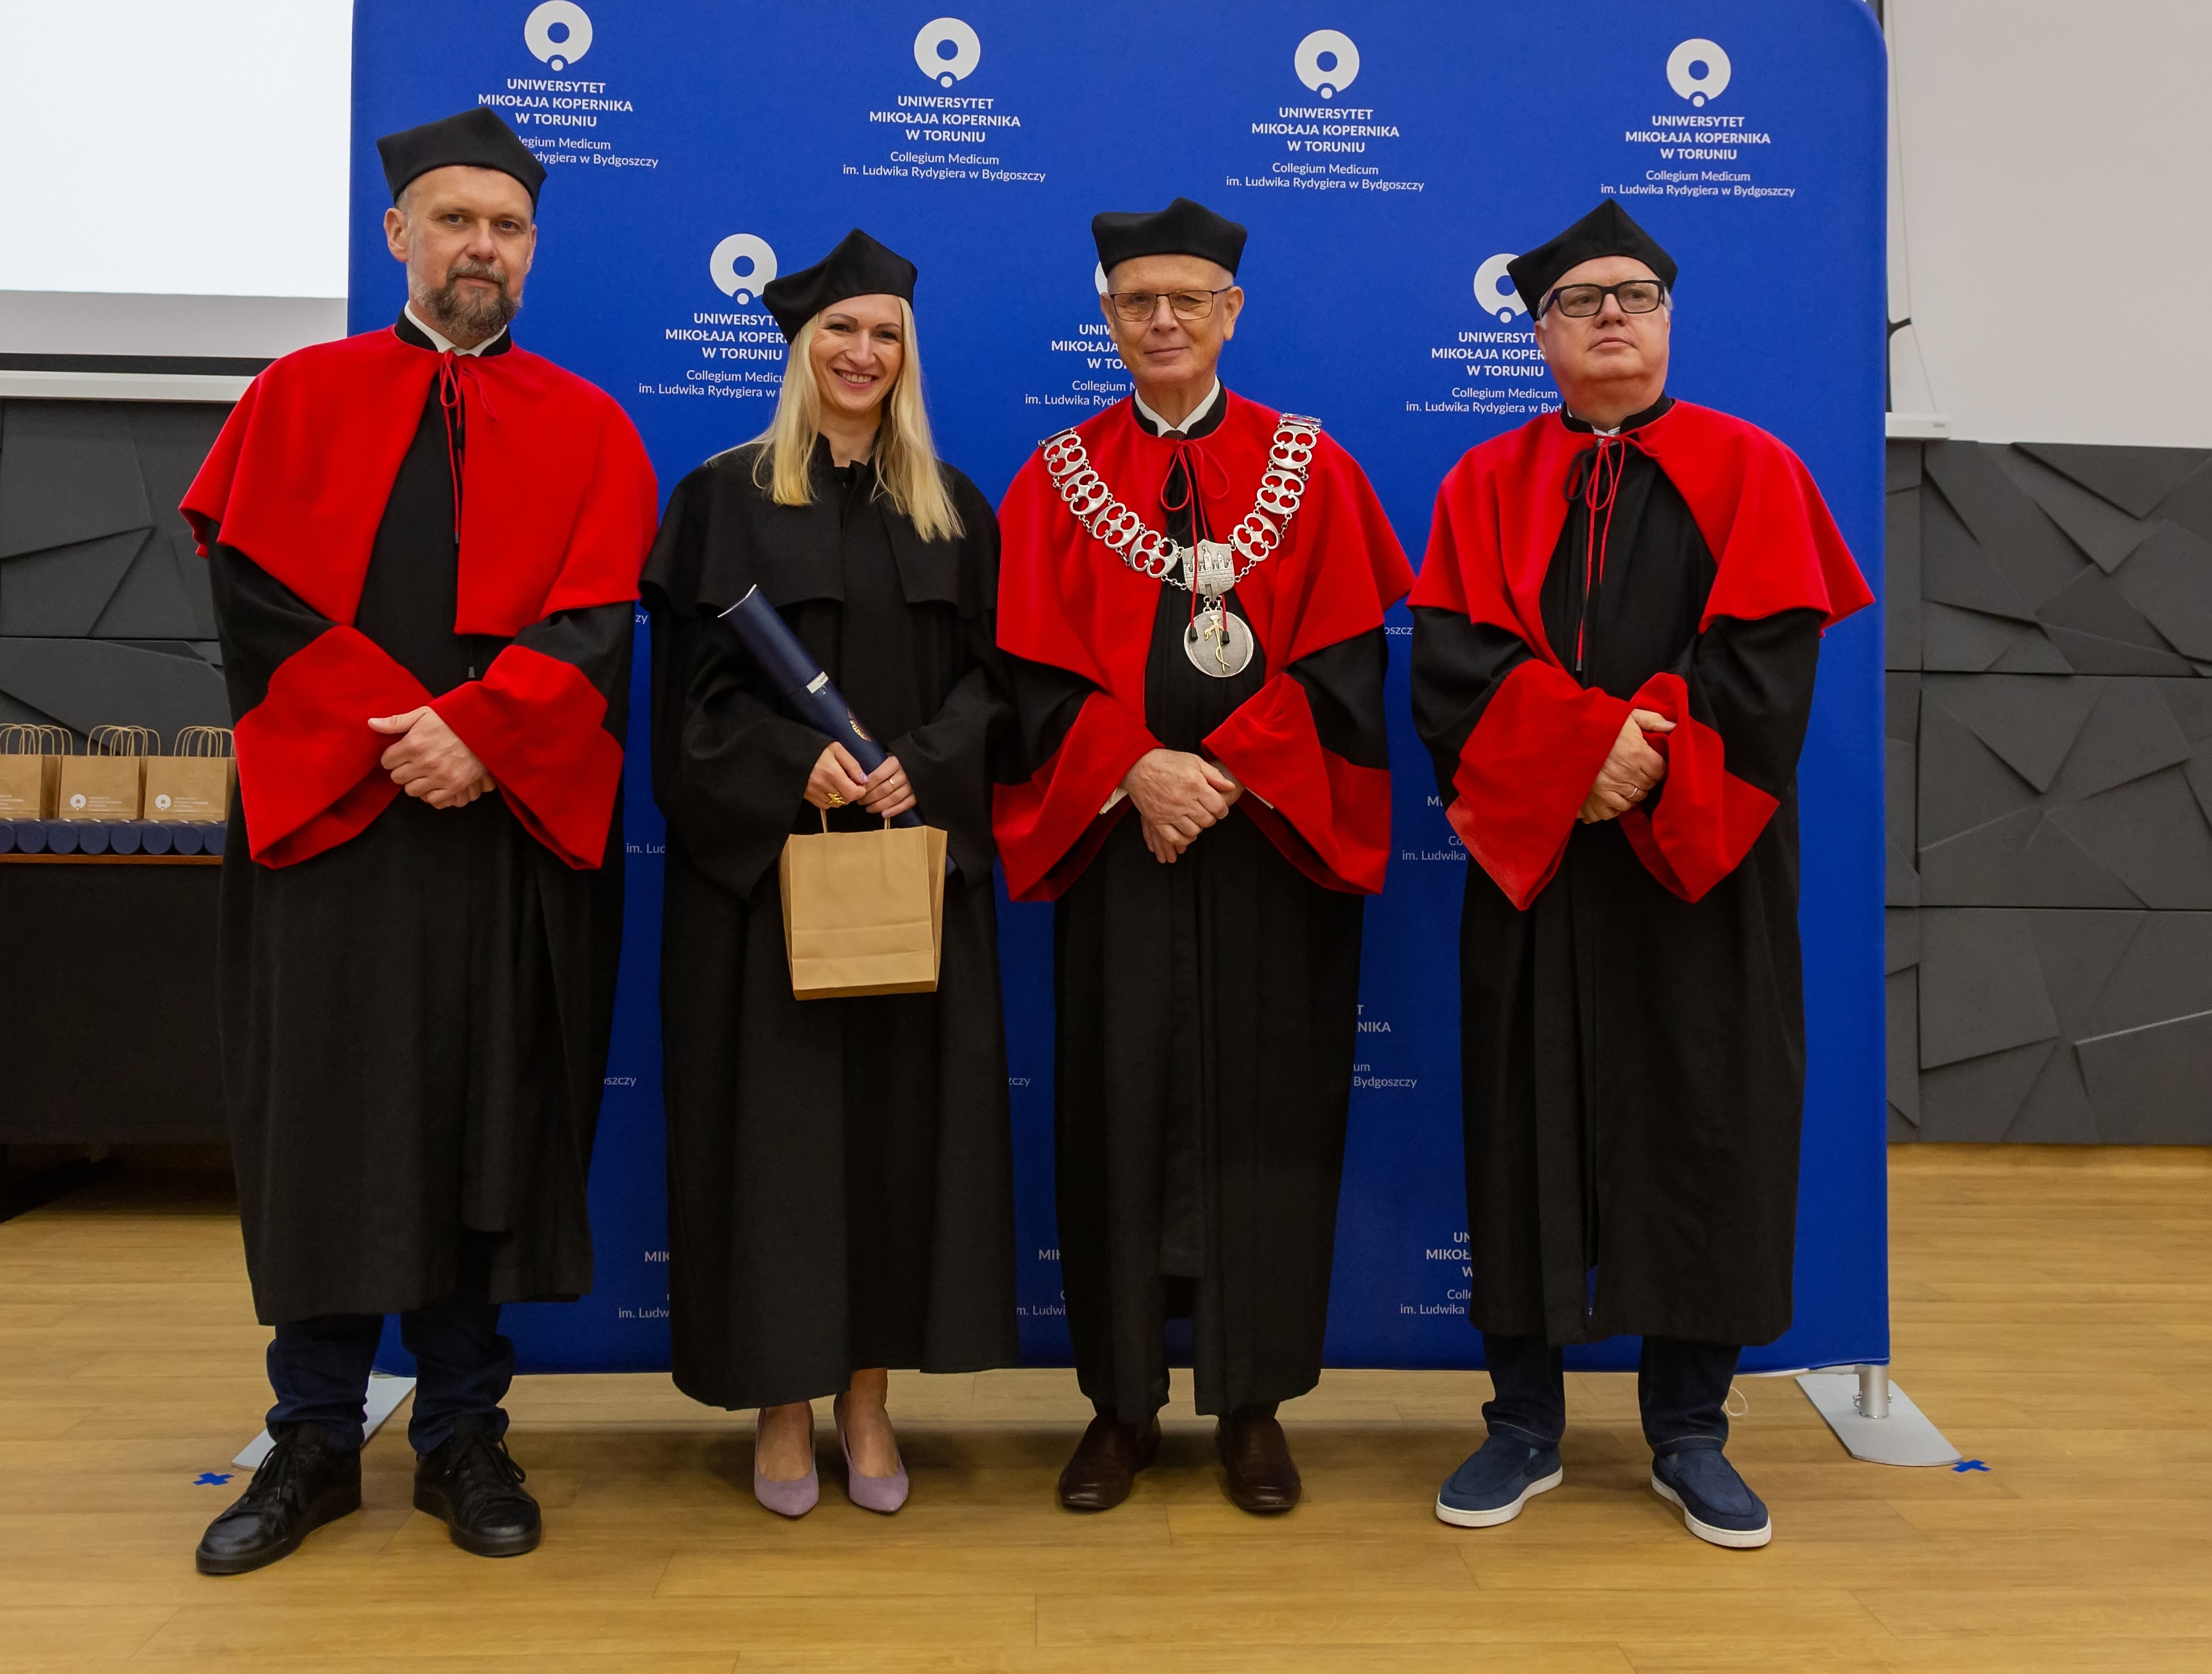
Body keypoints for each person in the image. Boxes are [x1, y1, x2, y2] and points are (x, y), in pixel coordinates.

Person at [178, 107, 659, 1574]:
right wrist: (402, 733)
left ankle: (461, 1432)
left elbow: (595, 623)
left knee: (484, 1120)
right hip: (333, 831)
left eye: (505, 227)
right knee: (326, 1116)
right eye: (454, 221)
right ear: (397, 234)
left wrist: (484, 734)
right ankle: (313, 1437)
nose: (479, 247)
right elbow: (255, 603)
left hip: (499, 837)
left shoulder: (588, 425)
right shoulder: (297, 396)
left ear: (533, 249)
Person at [1409, 200, 1872, 1549]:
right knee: (1522, 1121)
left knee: (1706, 1116)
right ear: (1538, 333)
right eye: (1579, 299)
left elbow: (1766, 672)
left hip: (1701, 868)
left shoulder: (1754, 469)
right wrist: (1576, 754)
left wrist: (1636, 753)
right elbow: (1451, 669)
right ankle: (1522, 1422)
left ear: (1668, 320)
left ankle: (1690, 1428)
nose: (1610, 314)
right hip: (1541, 867)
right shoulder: (1483, 483)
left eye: (1635, 295)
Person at [994, 198, 1413, 1515]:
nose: (1163, 320)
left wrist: (1226, 770)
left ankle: (1253, 1403)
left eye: (1188, 299)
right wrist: (1134, 768)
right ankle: (1119, 1404)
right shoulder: (1056, 478)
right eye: (1138, 301)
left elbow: (1346, 669)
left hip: (1270, 846)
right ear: (1107, 316)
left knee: (1271, 1117)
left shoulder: (1313, 470)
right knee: (1113, 1113)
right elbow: (1025, 677)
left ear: (1232, 312)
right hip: (1120, 845)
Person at [642, 229, 1014, 1519]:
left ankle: (867, 1397)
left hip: (910, 880)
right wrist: (785, 762)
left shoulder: (953, 507)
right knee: (779, 1148)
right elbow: (683, 716)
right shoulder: (722, 499)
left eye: (886, 335)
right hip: (764, 895)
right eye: (840, 332)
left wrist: (926, 765)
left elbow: (998, 689)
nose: (864, 354)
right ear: (801, 348)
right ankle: (783, 1405)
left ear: (908, 355)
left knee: (895, 1146)